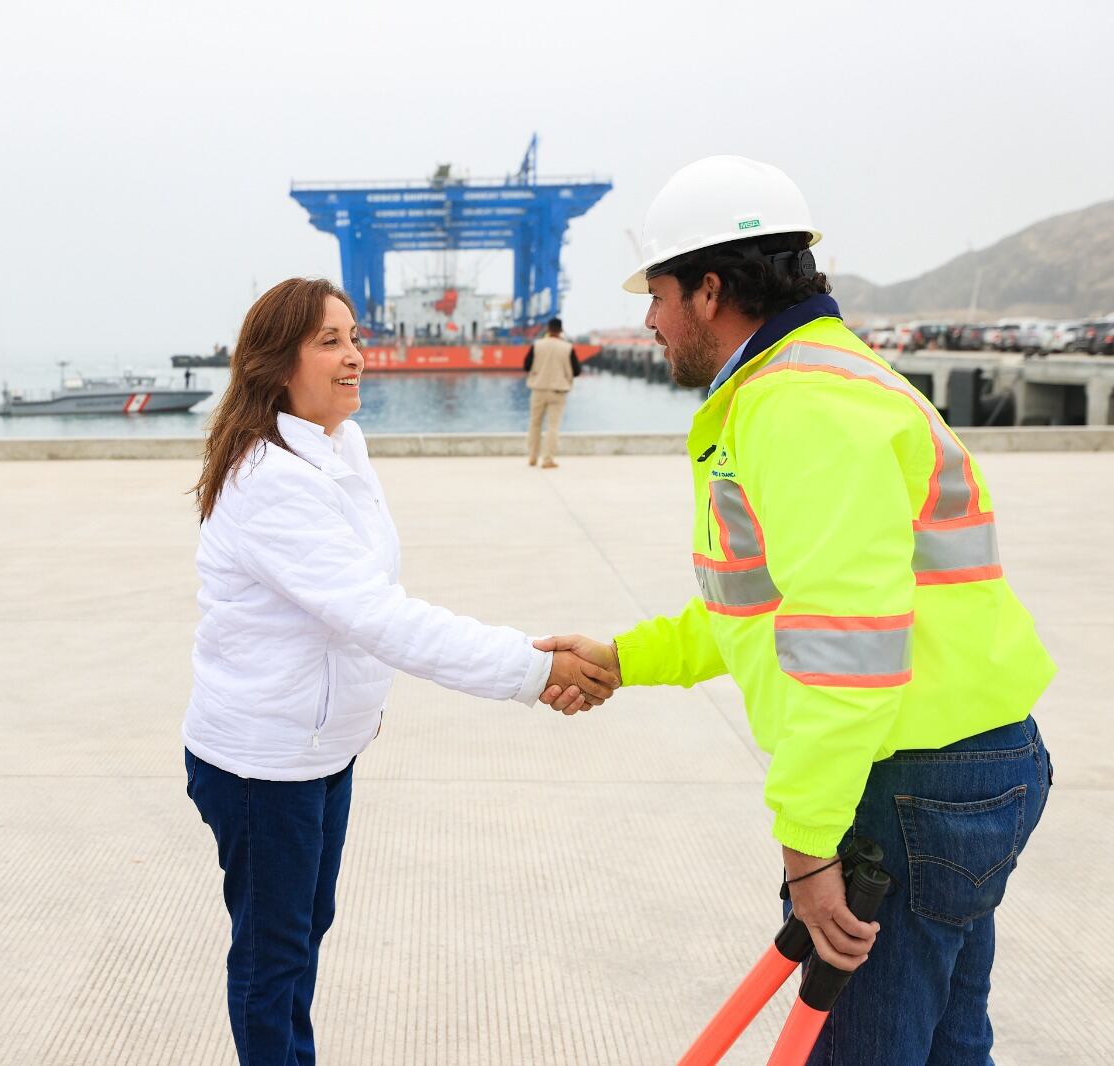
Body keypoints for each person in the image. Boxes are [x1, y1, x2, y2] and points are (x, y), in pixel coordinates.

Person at [538, 157, 1054, 1065]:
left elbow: (848, 642)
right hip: (972, 761)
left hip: (901, 785)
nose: (648, 322)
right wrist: (627, 657)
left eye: (655, 295)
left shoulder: (795, 404)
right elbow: (765, 604)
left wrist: (809, 849)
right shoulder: (836, 377)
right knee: (949, 1044)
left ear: (707, 290)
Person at [184, 277, 619, 1066]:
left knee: (303, 933)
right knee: (272, 956)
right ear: (277, 363)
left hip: (323, 748)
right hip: (264, 765)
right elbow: (381, 617)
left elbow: (369, 598)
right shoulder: (270, 480)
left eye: (354, 337)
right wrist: (531, 668)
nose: (355, 354)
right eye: (329, 341)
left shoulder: (339, 446)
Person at [522, 316, 584, 468]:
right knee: (553, 426)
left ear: (548, 329)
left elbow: (526, 366)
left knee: (534, 424)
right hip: (558, 391)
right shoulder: (567, 348)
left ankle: (532, 457)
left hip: (538, 389)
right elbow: (576, 371)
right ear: (561, 330)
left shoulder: (537, 345)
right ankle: (548, 459)